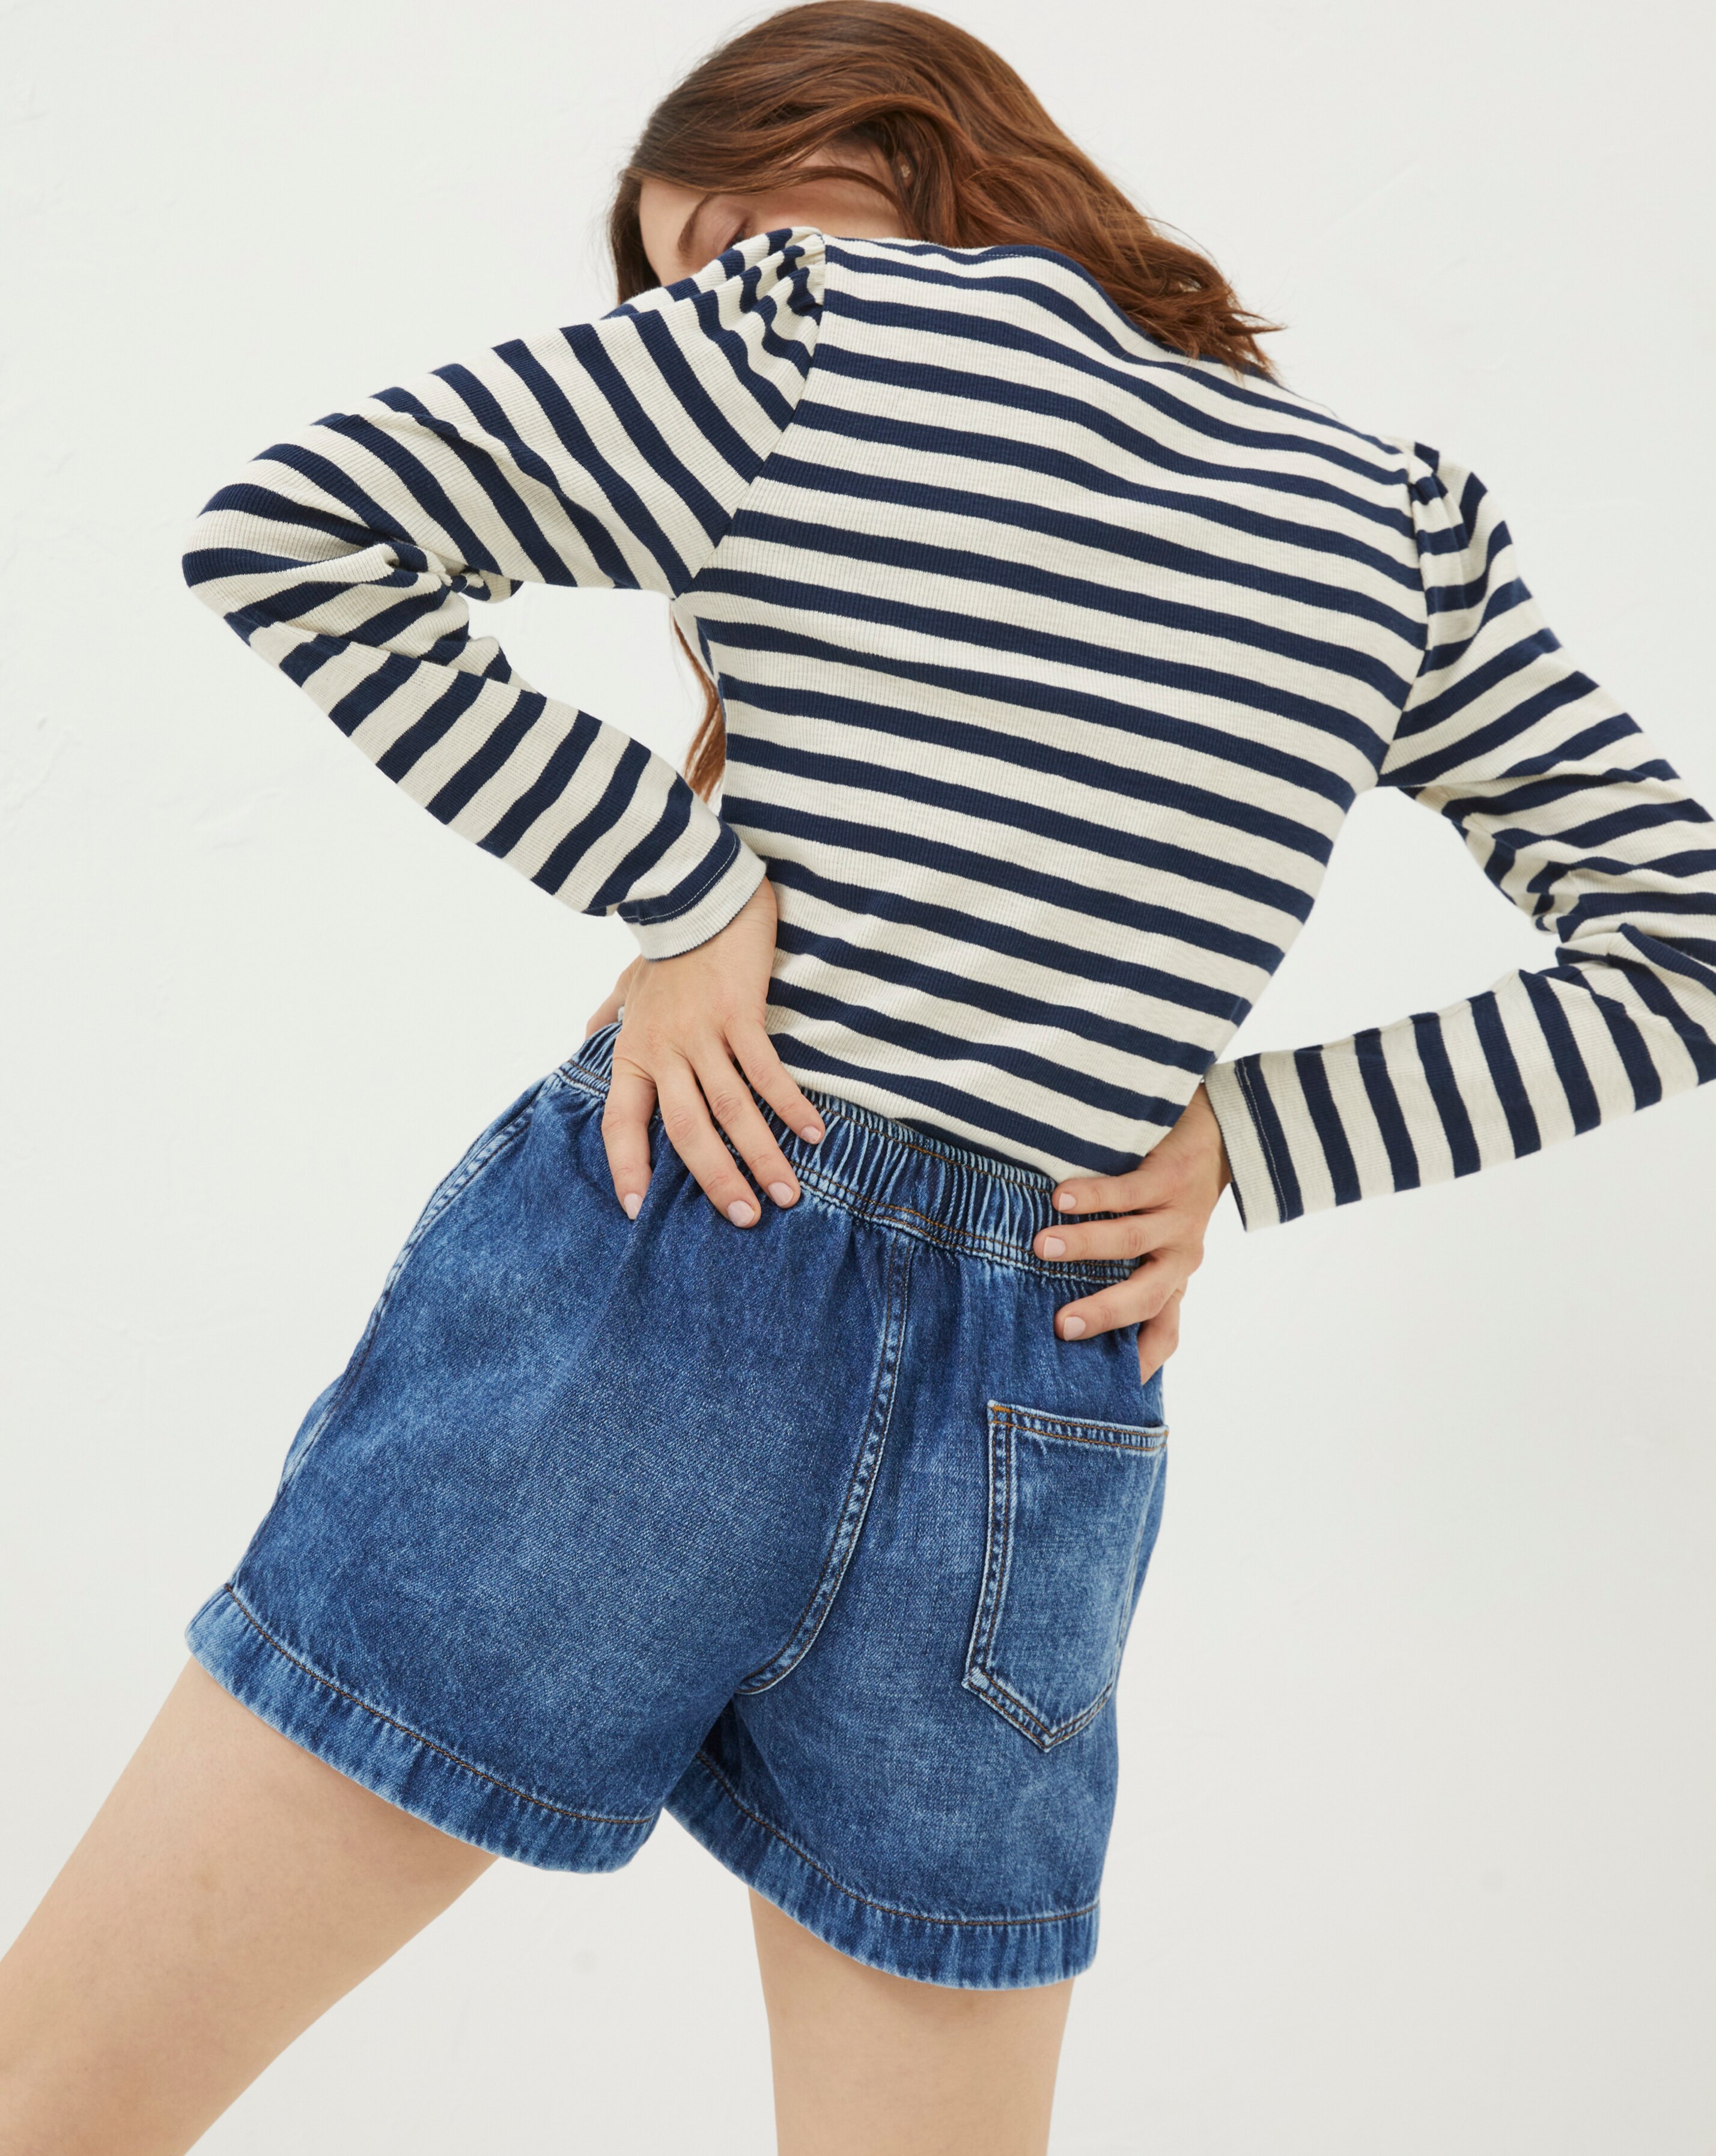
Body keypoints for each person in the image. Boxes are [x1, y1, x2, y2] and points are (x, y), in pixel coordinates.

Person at [4, 2, 1713, 2149]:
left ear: (882, 148)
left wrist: (684, 887)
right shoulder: (1394, 522)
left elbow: (287, 532)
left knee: (60, 2093)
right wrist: (1237, 1143)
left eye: (714, 242)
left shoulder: (809, 331)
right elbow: (1683, 948)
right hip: (1044, 1414)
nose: (696, 301)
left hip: (676, 1264)